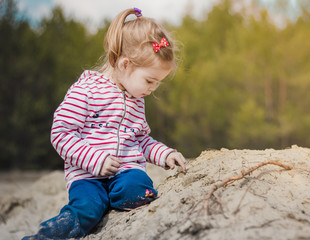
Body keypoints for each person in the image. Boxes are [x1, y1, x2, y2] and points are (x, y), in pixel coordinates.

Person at [23, 7, 187, 239]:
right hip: (87, 176)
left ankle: (116, 200)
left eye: (157, 83)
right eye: (150, 81)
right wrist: (96, 160)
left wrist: (165, 154)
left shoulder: (136, 98)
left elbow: (140, 139)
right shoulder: (85, 91)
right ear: (124, 65)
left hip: (125, 172)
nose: (152, 89)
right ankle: (45, 236)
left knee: (140, 189)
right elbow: (61, 134)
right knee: (87, 209)